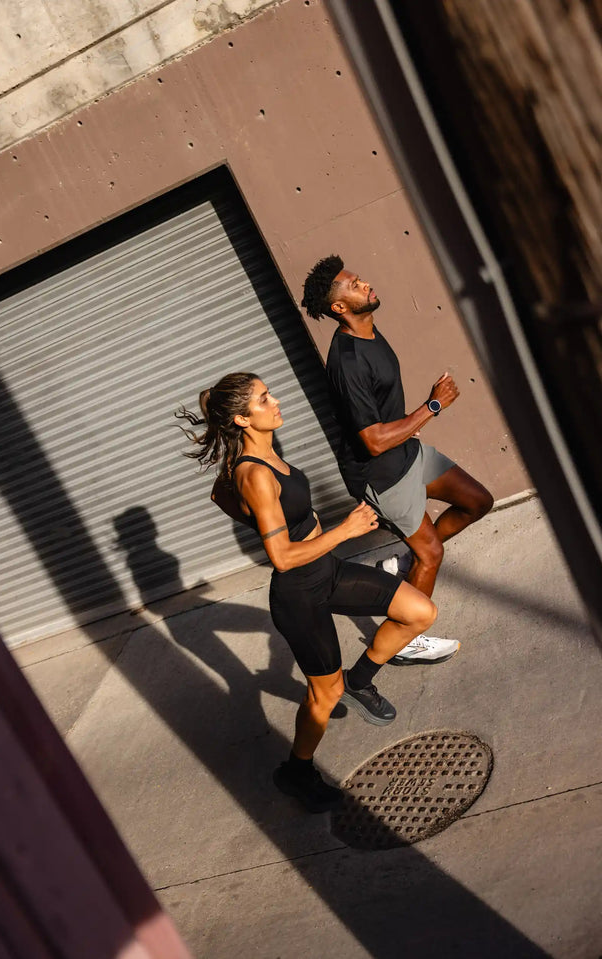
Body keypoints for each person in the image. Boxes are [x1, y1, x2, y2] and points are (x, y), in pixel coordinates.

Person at [177, 372, 440, 814]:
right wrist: (345, 530)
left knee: (419, 612)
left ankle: (360, 681)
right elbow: (280, 557)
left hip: (328, 572)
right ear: (243, 418)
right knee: (324, 696)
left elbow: (217, 494)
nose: (276, 401)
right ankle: (296, 771)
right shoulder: (252, 474)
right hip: (300, 594)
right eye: (264, 399)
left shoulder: (258, 456)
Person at [301, 255, 493, 658]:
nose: (364, 283)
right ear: (339, 308)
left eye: (359, 278)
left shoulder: (370, 330)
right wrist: (432, 407)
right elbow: (371, 441)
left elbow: (380, 413)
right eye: (353, 285)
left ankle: (401, 569)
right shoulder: (346, 362)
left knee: (477, 501)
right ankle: (407, 637)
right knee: (432, 553)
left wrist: (407, 423)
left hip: (406, 451)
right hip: (381, 473)